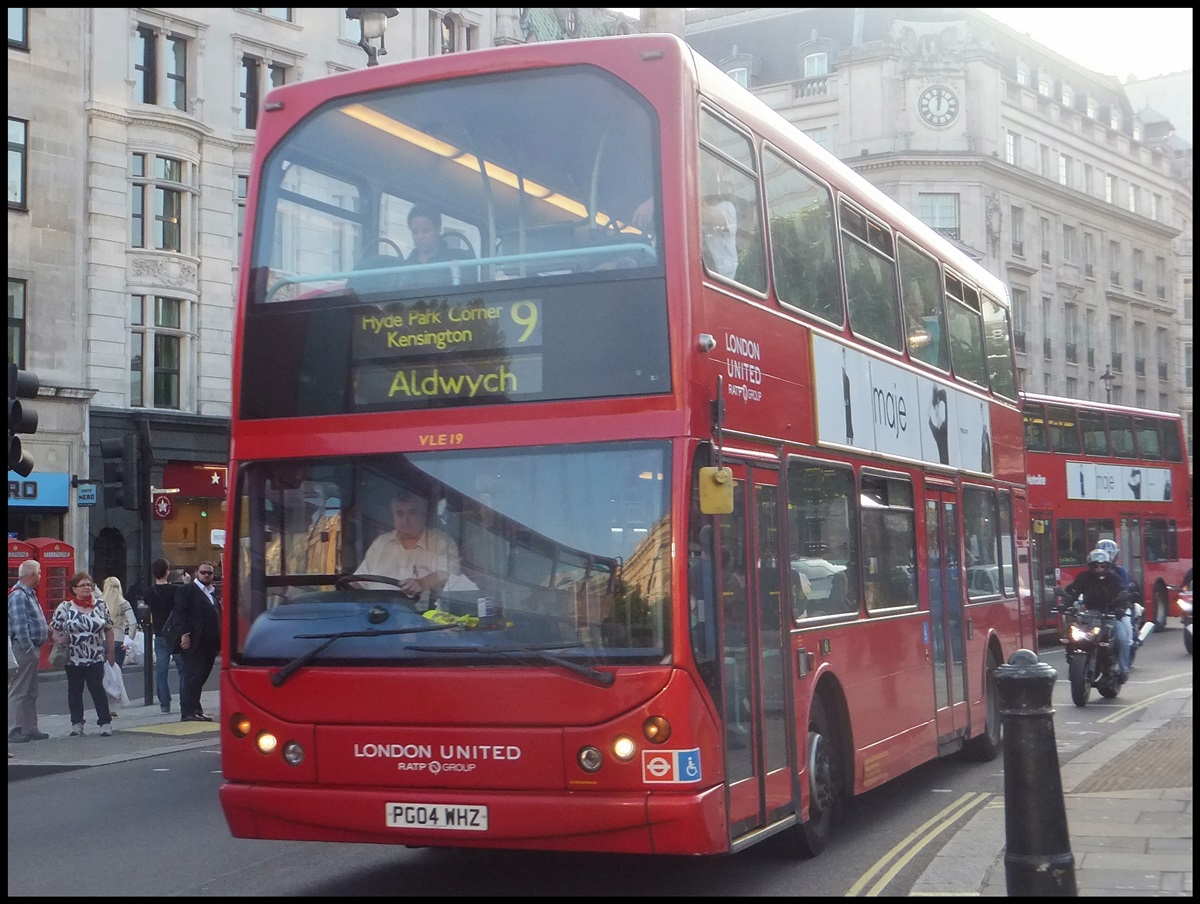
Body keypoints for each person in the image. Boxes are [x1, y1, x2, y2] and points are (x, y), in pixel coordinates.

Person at [354, 488, 460, 607]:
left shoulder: (440, 542)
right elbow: (360, 581)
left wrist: (422, 583)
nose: (405, 520)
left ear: (424, 514)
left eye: (412, 513)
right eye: (399, 513)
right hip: (376, 614)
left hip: (422, 619)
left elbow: (450, 574)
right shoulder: (381, 543)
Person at [49, 571, 115, 737]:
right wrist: (59, 639)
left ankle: (105, 723)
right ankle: (77, 724)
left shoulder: (100, 606)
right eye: (83, 585)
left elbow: (109, 629)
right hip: (73, 657)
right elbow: (54, 629)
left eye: (89, 585)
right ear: (74, 588)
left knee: (97, 689)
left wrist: (111, 651)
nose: (87, 588)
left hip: (95, 655)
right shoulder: (65, 608)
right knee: (75, 691)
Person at [1063, 548, 1132, 683]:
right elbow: (1073, 591)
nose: (1099, 568)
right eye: (1096, 566)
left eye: (1102, 566)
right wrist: (1066, 604)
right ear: (1091, 566)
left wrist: (1120, 609)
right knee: (1071, 634)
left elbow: (1123, 595)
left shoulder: (1115, 579)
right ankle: (1073, 660)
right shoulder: (1084, 577)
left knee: (1123, 638)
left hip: (1110, 615)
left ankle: (1123, 669)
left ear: (1107, 566)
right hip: (1090, 615)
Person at [8, 559, 50, 743]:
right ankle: (13, 730)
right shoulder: (18, 595)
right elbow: (20, 625)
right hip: (25, 648)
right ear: (32, 575)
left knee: (31, 691)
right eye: (39, 572)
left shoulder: (29, 594)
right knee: (19, 690)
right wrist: (29, 648)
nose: (41, 576)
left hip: (33, 647)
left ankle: (30, 728)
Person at [176, 560, 221, 722]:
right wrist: (184, 634)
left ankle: (196, 708)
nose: (207, 575)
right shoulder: (188, 590)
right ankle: (188, 711)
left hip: (210, 643)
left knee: (201, 677)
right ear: (196, 573)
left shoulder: (211, 592)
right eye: (204, 572)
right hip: (194, 641)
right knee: (193, 676)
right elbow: (180, 612)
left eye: (210, 573)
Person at [145, 557, 186, 713]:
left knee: (161, 671)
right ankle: (184, 701)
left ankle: (164, 704)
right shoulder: (175, 590)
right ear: (167, 572)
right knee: (183, 669)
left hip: (159, 633)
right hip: (174, 633)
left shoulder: (149, 592)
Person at [403, 204, 475, 286]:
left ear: (438, 229)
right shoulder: (404, 267)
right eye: (415, 231)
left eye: (426, 231)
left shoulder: (461, 259)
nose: (420, 236)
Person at [101, 576, 138, 670]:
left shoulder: (99, 603)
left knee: (102, 674)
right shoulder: (124, 603)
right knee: (116, 673)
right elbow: (133, 623)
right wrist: (128, 641)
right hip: (119, 640)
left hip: (102, 640)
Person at [701, 198, 740, 279]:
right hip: (706, 269)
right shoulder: (705, 209)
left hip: (722, 275)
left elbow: (708, 217)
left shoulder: (728, 207)